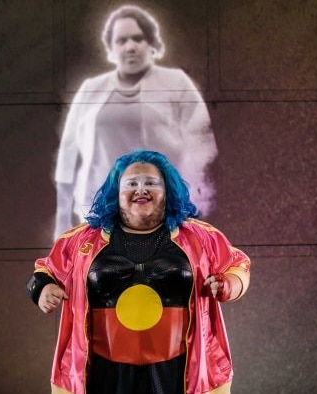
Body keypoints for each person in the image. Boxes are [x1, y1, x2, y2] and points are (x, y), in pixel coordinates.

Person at [28, 150, 250, 394]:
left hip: (177, 371)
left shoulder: (202, 237)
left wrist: (229, 284)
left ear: (167, 191)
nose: (141, 189)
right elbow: (42, 272)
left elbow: (237, 265)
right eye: (131, 183)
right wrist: (42, 289)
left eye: (151, 183)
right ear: (117, 192)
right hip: (106, 372)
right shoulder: (80, 240)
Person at [54, 5, 217, 239]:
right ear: (110, 47)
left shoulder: (177, 82)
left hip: (164, 216)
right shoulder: (91, 89)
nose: (130, 46)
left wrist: (199, 214)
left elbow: (203, 148)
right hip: (99, 216)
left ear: (151, 42)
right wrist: (62, 217)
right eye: (121, 40)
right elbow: (68, 156)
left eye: (138, 38)